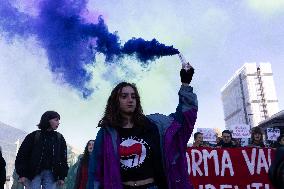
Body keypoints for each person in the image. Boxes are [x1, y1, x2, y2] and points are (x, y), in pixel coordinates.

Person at [87, 63, 198, 189]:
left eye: (133, 96)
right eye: (124, 96)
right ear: (115, 101)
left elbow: (182, 121)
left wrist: (185, 84)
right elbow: (95, 172)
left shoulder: (154, 125)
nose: (130, 99)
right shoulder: (106, 132)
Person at [15, 111, 69, 189]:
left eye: (58, 120)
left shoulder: (59, 138)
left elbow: (63, 158)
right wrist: (22, 174)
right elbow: (22, 155)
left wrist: (62, 176)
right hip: (33, 174)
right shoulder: (34, 136)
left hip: (51, 175)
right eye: (56, 120)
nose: (58, 123)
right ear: (48, 120)